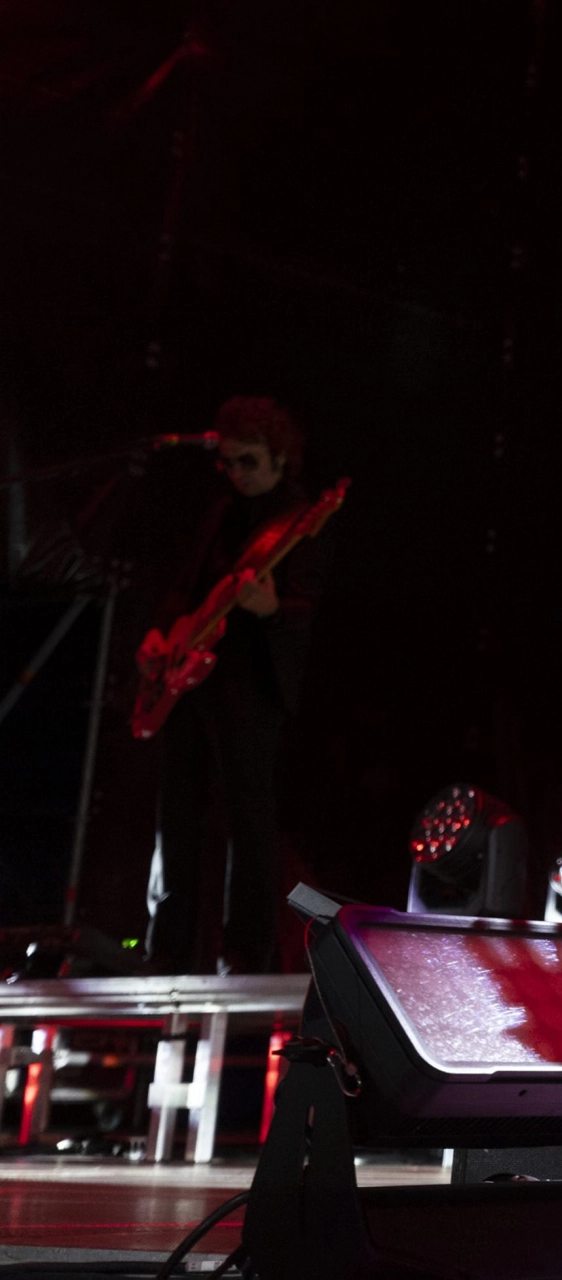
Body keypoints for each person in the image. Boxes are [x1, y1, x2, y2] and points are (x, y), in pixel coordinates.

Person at [150, 396, 325, 975]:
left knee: (246, 818)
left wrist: (273, 608)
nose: (236, 473)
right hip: (193, 681)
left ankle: (245, 952)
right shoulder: (221, 511)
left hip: (250, 683)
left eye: (248, 461)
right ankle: (167, 948)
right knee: (176, 814)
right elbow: (185, 582)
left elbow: (307, 609)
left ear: (280, 458)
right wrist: (162, 635)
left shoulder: (298, 518)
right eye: (227, 462)